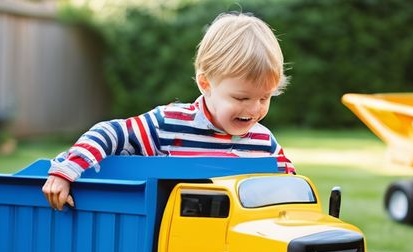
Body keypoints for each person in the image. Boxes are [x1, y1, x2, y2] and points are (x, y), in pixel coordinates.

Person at [42, 12, 295, 210]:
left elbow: (291, 189)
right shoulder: (169, 125)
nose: (254, 109)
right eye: (242, 97)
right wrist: (67, 171)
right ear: (206, 84)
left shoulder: (265, 142)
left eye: (265, 97)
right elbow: (111, 133)